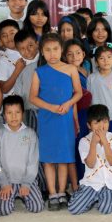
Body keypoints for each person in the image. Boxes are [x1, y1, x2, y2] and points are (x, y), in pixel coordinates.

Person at [30, 33, 82, 210]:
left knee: (63, 157)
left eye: (56, 49)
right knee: (49, 158)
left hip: (65, 118)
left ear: (61, 50)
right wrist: (51, 107)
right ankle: (52, 193)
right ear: (42, 52)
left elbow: (78, 93)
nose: (52, 53)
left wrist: (68, 103)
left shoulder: (71, 69)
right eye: (47, 50)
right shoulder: (39, 72)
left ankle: (61, 192)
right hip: (47, 118)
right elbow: (33, 97)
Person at [0, 95, 43, 216]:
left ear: (23, 114)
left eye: (17, 112)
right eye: (9, 113)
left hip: (26, 180)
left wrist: (26, 183)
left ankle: (24, 195)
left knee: (37, 207)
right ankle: (7, 197)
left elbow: (33, 161)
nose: (14, 116)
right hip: (7, 181)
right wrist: (4, 183)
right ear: (4, 115)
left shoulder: (30, 134)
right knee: (4, 211)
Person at [68, 104, 112, 215]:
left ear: (109, 122)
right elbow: (90, 164)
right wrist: (93, 143)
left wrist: (104, 141)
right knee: (74, 209)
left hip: (109, 184)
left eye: (104, 121)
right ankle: (91, 197)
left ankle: (102, 198)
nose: (101, 126)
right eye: (96, 122)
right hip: (92, 183)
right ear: (89, 125)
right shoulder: (84, 141)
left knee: (106, 209)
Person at [87, 45, 112, 136]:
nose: (106, 61)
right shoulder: (91, 78)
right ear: (96, 62)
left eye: (109, 57)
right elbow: (90, 102)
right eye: (101, 58)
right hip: (97, 120)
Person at [12, 29, 40, 129]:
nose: (27, 51)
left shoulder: (46, 62)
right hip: (29, 113)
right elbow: (18, 94)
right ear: (17, 50)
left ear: (37, 43)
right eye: (22, 49)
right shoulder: (20, 68)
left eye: (30, 46)